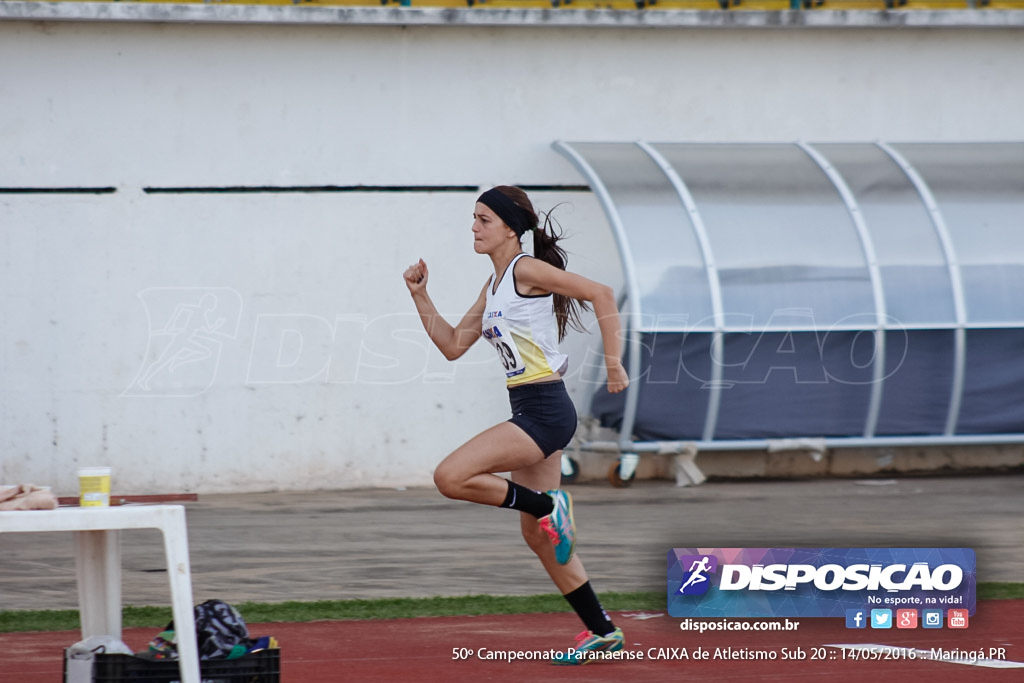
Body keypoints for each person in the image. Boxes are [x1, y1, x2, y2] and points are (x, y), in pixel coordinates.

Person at [403, 185, 629, 665]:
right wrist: (421, 296)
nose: (474, 227)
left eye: (483, 219)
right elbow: (451, 344)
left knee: (451, 476)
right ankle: (602, 630)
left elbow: (601, 293)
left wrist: (614, 364)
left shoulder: (526, 269)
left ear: (510, 228)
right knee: (538, 536)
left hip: (545, 409)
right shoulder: (495, 284)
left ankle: (550, 505)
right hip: (531, 407)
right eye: (474, 218)